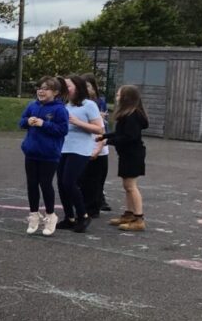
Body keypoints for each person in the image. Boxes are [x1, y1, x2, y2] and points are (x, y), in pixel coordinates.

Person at [19, 76, 69, 236]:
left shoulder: (60, 109)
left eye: (46, 89)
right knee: (31, 184)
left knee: (45, 184)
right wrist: (28, 121)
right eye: (39, 88)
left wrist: (44, 124)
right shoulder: (32, 105)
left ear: (55, 92)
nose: (41, 91)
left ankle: (50, 215)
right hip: (31, 152)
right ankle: (34, 215)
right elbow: (21, 122)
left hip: (49, 154)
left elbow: (63, 130)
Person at [55, 75, 105, 233]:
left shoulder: (88, 105)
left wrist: (77, 122)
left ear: (78, 88)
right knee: (61, 184)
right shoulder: (64, 105)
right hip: (63, 148)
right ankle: (69, 217)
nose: (65, 89)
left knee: (69, 182)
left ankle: (83, 215)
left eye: (68, 86)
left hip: (80, 149)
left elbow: (99, 129)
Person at [97, 84, 149, 232]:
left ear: (127, 98)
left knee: (131, 186)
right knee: (127, 186)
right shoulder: (128, 114)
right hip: (127, 154)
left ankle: (139, 219)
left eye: (119, 95)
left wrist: (108, 141)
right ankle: (129, 214)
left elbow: (129, 137)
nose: (117, 97)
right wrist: (104, 136)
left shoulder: (132, 116)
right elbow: (121, 133)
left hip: (133, 155)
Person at [78, 73, 110, 216]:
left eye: (88, 86)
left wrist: (101, 144)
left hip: (98, 141)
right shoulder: (79, 103)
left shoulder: (98, 102)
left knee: (97, 176)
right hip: (84, 143)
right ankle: (87, 202)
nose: (86, 89)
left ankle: (98, 200)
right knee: (84, 176)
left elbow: (102, 127)